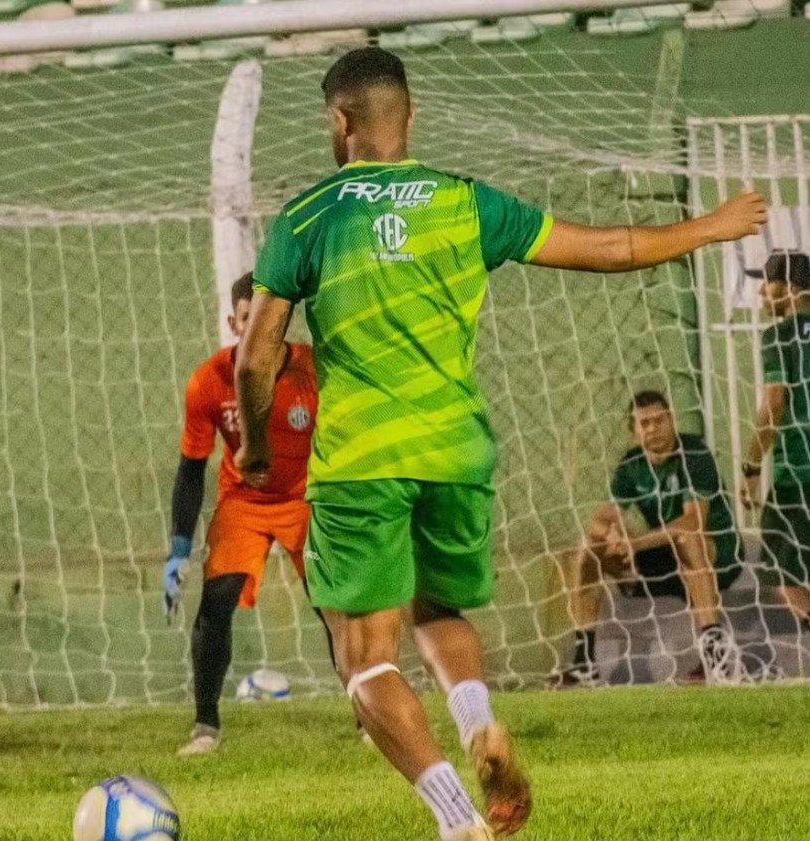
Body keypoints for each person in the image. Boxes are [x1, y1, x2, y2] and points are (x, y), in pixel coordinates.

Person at [232, 47, 766, 841]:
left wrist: (252, 452)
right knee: (437, 603)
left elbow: (258, 353)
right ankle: (478, 720)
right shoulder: (464, 202)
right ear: (408, 118)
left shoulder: (310, 216)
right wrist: (714, 225)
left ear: (338, 124)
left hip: (363, 460)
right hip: (457, 452)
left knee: (365, 656)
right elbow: (610, 249)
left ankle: (457, 819)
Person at [162, 272, 333, 756]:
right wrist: (178, 548)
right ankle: (205, 728)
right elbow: (191, 468)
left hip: (306, 497)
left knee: (336, 605)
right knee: (215, 604)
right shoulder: (208, 382)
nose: (255, 333)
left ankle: (369, 718)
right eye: (244, 322)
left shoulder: (315, 371)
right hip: (244, 501)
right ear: (233, 322)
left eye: (265, 323)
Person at [557, 390, 743, 687]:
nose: (653, 428)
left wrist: (636, 543)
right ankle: (584, 661)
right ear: (634, 432)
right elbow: (599, 518)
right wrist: (613, 533)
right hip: (664, 555)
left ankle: (714, 656)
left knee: (689, 538)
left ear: (672, 420)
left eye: (660, 420)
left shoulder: (694, 453)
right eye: (645, 424)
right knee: (588, 549)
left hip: (717, 554)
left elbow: (693, 522)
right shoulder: (632, 464)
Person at [741, 250, 810, 632]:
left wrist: (751, 467)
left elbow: (774, 402)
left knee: (778, 570)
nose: (762, 295)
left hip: (798, 472)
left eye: (766, 285)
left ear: (787, 287)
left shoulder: (780, 336)